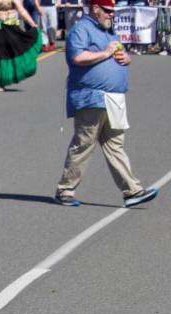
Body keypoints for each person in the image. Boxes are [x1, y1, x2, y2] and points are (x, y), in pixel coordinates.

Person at [54, 0, 158, 207]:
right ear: (95, 9)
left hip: (114, 99)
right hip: (91, 96)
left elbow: (117, 54)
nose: (112, 15)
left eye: (113, 11)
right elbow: (77, 57)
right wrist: (106, 53)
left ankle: (132, 191)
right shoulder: (81, 29)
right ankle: (65, 190)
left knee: (115, 145)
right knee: (84, 144)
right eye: (108, 11)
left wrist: (125, 58)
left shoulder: (109, 31)